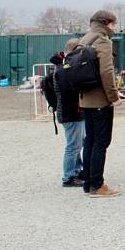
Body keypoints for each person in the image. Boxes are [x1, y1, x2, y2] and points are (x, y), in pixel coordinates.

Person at [79, 10, 125, 198]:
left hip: (85, 99)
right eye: (113, 24)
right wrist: (114, 97)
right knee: (101, 142)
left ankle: (88, 183)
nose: (114, 28)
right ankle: (97, 185)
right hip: (100, 100)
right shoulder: (103, 41)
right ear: (107, 23)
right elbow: (106, 72)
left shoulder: (85, 39)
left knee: (89, 140)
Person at [49, 39, 85, 187]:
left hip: (71, 112)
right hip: (70, 112)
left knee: (76, 143)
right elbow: (68, 91)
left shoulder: (62, 67)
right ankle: (68, 176)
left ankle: (76, 171)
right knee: (73, 146)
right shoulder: (63, 69)